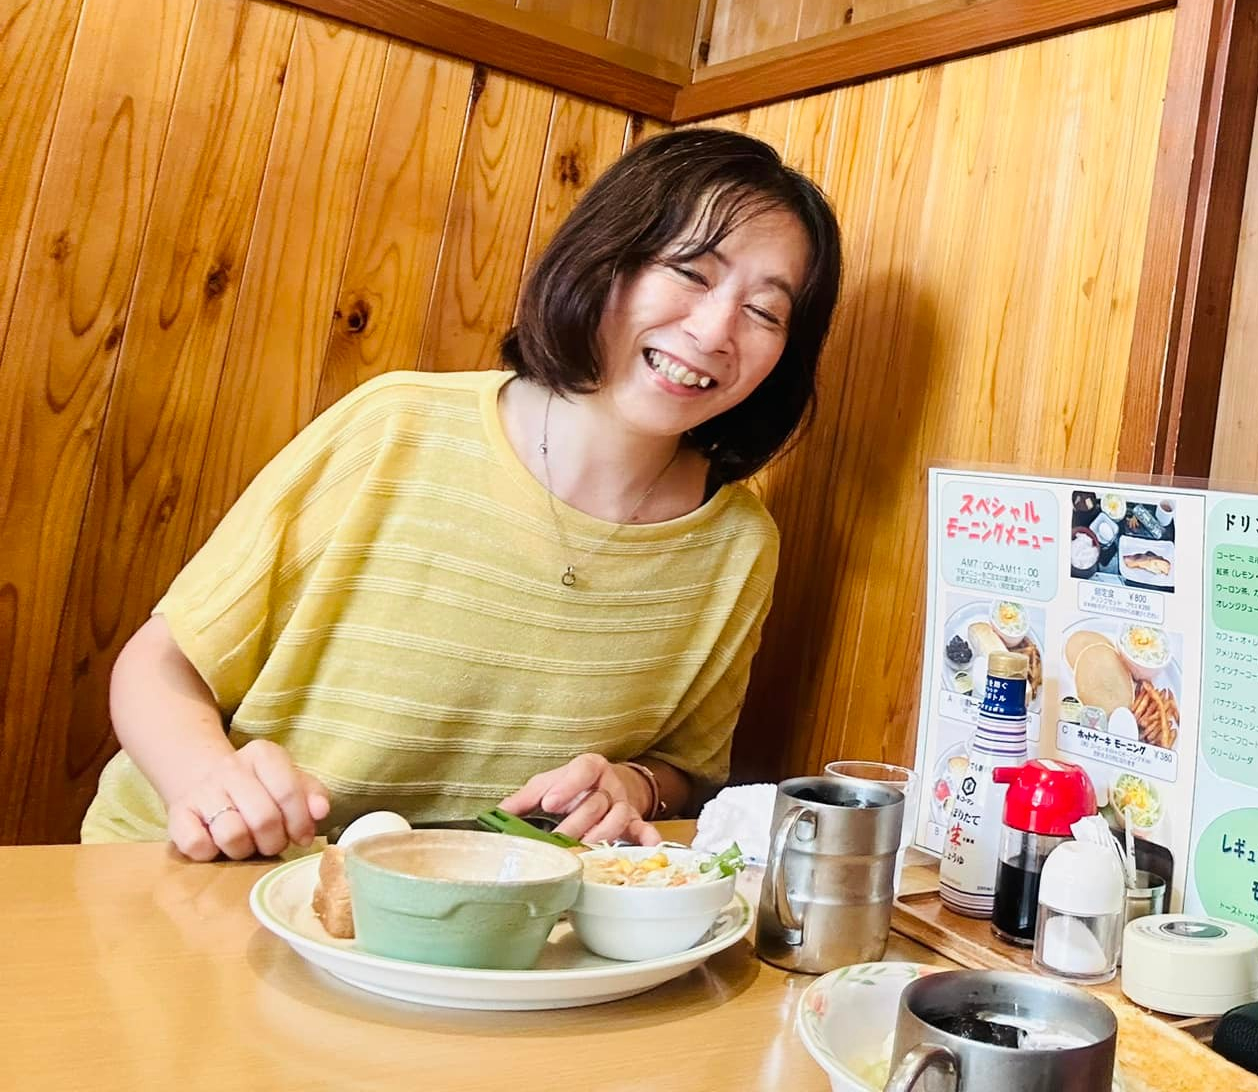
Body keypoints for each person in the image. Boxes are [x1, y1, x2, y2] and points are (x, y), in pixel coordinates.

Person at [82, 128, 841, 860]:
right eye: (691, 271)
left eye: (764, 311)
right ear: (606, 259)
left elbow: (687, 768)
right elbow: (161, 665)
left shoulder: (737, 545)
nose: (714, 331)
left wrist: (634, 788)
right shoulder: (397, 428)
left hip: (478, 928)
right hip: (209, 874)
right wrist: (212, 787)